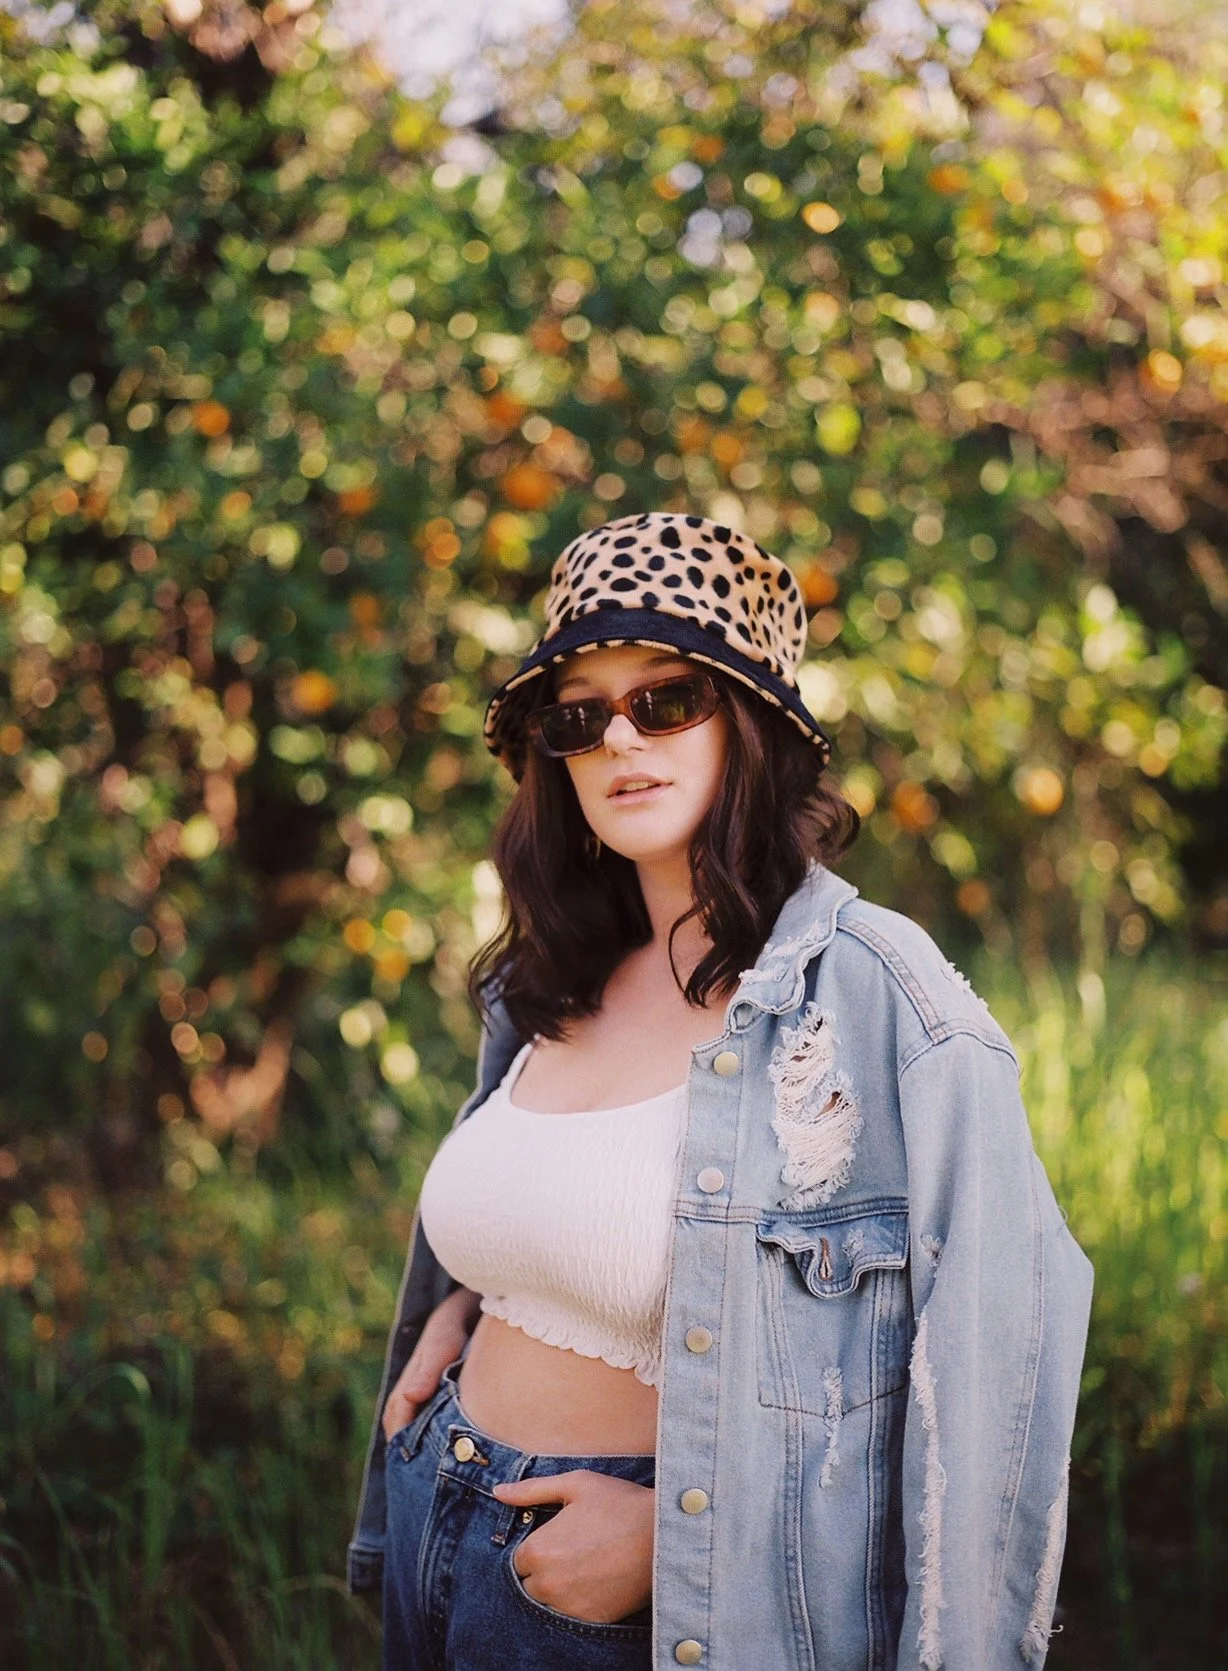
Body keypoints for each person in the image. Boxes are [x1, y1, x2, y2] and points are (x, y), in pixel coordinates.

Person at [348, 511, 1094, 1671]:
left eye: (665, 700)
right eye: (579, 715)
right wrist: (475, 1302)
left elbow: (996, 1378)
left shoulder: (882, 999)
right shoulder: (550, 981)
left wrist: (685, 1543)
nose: (619, 740)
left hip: (629, 1604)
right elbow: (583, 1227)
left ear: (750, 722)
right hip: (435, 1523)